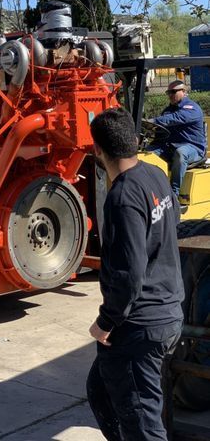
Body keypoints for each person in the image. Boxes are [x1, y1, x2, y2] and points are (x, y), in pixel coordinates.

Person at [87, 107, 184, 441]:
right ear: (133, 140)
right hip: (169, 314)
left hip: (140, 324)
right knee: (100, 388)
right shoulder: (155, 175)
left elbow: (130, 273)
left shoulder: (122, 196)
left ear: (97, 149)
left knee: (141, 420)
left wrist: (106, 320)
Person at [148, 79, 206, 196]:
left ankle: (174, 194)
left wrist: (154, 120)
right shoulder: (168, 110)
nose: (170, 95)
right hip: (170, 147)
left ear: (184, 92)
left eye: (173, 92)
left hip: (193, 148)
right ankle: (151, 192)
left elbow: (175, 118)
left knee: (181, 153)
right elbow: (161, 128)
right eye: (168, 92)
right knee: (146, 154)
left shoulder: (192, 108)